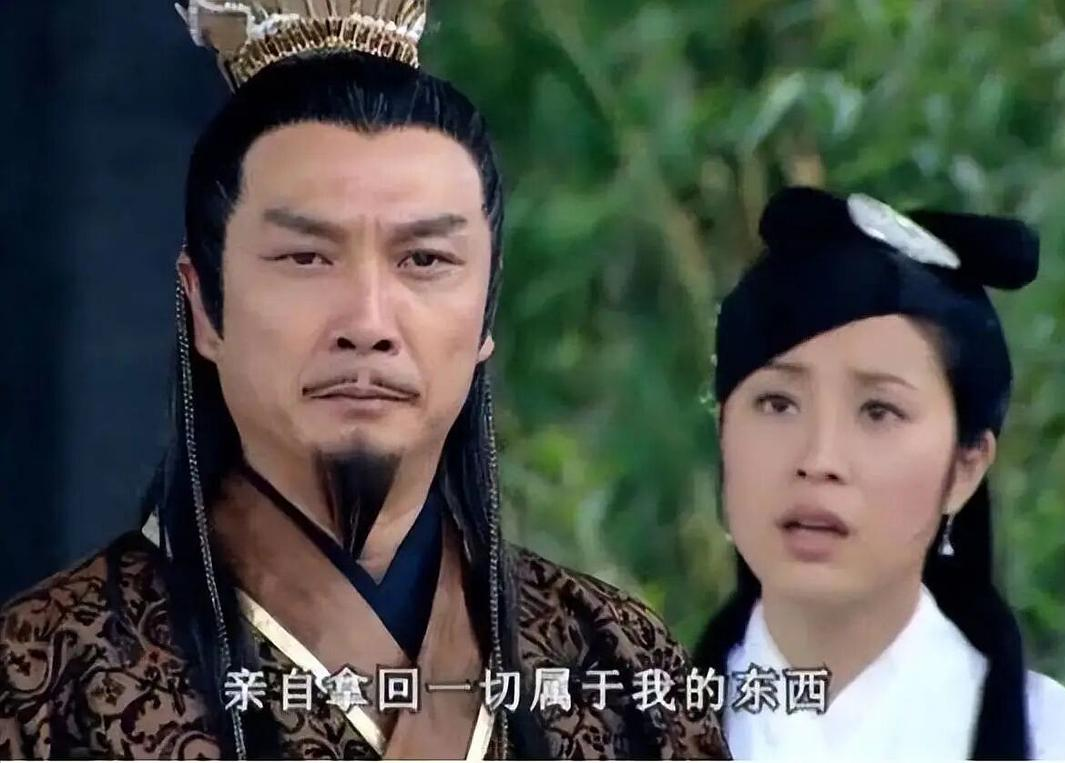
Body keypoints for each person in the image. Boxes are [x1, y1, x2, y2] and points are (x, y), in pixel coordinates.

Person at [0, 2, 729, 759]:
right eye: (306, 258)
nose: (369, 322)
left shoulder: (621, 666)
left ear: (487, 309)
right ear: (204, 306)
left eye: (425, 260)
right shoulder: (42, 678)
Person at [695, 186, 1065, 759]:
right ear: (725, 430)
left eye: (879, 411)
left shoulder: (1059, 740)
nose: (818, 459)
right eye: (777, 403)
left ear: (966, 466)